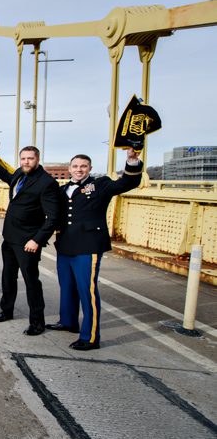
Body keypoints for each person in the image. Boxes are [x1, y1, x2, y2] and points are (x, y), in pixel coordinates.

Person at [48, 149, 142, 350]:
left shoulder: (100, 185)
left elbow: (127, 183)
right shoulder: (63, 189)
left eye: (83, 166)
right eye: (75, 166)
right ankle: (68, 321)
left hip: (87, 246)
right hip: (65, 245)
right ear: (69, 169)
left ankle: (90, 337)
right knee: (67, 286)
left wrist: (132, 162)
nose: (79, 169)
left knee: (87, 291)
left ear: (90, 168)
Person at [0, 146, 59, 335]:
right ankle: (6, 310)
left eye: (30, 159)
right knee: (8, 277)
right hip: (9, 237)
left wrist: (37, 240)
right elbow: (7, 177)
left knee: (31, 281)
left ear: (38, 159)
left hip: (28, 241)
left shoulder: (46, 183)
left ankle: (37, 322)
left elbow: (53, 217)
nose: (26, 162)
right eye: (23, 158)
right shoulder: (19, 173)